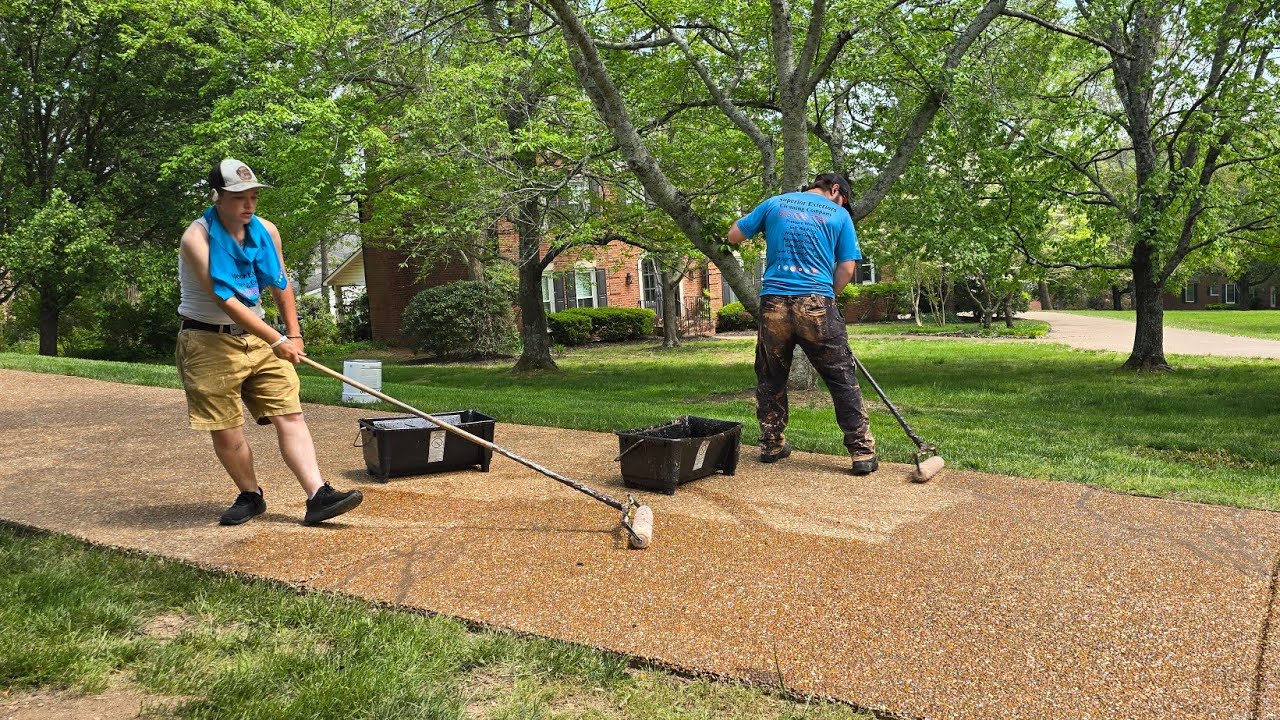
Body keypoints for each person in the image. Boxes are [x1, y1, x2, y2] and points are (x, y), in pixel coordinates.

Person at [176, 158, 364, 525]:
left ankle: (318, 496)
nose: (248, 204)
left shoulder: (266, 231)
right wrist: (277, 338)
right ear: (217, 197)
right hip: (206, 340)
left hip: (260, 336)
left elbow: (281, 283)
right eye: (238, 197)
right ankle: (250, 495)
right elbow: (225, 301)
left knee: (289, 412)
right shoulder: (196, 239)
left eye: (253, 197)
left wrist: (293, 333)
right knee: (226, 426)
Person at [725, 172, 878, 475]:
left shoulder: (774, 204)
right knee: (840, 377)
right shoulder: (839, 216)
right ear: (835, 189)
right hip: (816, 302)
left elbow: (733, 236)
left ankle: (771, 443)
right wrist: (825, 299)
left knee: (771, 374)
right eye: (843, 200)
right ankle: (861, 452)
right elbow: (847, 268)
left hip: (774, 304)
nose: (843, 206)